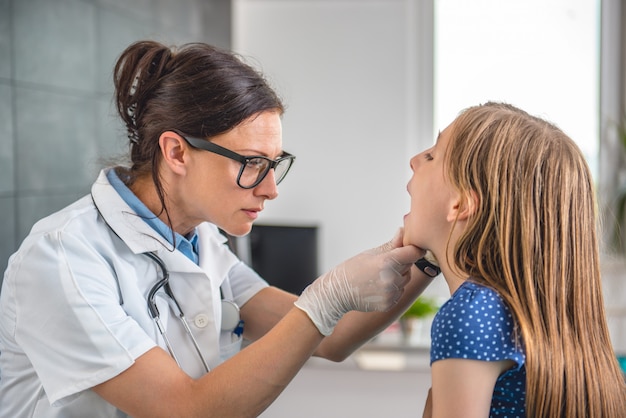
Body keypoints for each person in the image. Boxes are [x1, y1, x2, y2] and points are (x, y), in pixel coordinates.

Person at [0, 40, 435, 417]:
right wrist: (323, 300)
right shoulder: (64, 258)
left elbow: (334, 339)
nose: (270, 190)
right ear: (177, 152)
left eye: (274, 165)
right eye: (252, 164)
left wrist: (425, 254)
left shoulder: (201, 242)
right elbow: (184, 408)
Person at [403, 102, 626, 417]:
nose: (414, 161)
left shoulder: (469, 313)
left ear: (461, 204)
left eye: (431, 156)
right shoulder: (520, 307)